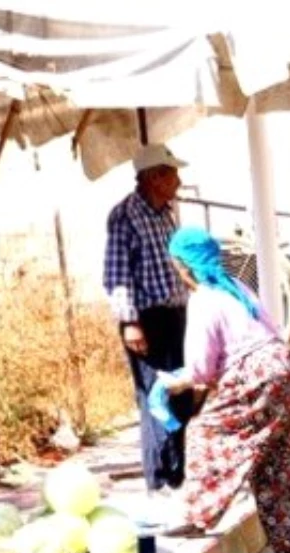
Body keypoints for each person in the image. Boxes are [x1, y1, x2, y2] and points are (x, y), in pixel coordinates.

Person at [159, 228, 290, 553]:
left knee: (205, 434)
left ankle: (196, 516)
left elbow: (200, 368)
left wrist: (175, 383)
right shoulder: (237, 287)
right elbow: (270, 329)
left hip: (258, 374)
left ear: (183, 266)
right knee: (279, 461)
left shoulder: (204, 298)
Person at [102, 144, 190, 494]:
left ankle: (178, 473)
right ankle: (159, 479)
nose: (178, 181)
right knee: (155, 396)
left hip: (175, 315)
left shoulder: (168, 212)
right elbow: (116, 274)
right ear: (154, 177)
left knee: (181, 391)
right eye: (172, 174)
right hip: (146, 319)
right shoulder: (125, 215)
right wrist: (130, 322)